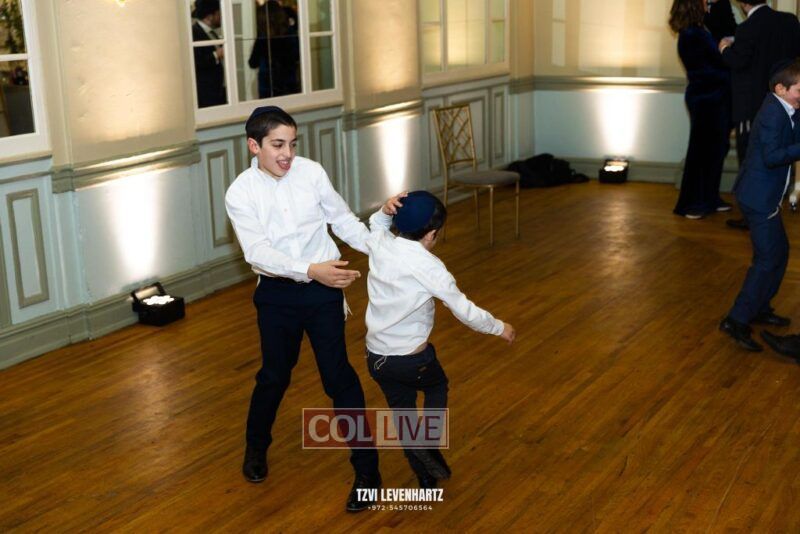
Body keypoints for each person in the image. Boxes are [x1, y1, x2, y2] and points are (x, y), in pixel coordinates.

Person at [224, 105, 380, 513]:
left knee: (338, 377)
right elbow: (258, 253)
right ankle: (256, 448)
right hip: (277, 297)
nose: (288, 154)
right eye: (278, 145)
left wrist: (382, 249)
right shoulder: (240, 193)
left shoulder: (311, 172)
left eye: (292, 144)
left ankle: (368, 473)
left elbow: (342, 220)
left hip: (323, 292)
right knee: (274, 377)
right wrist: (311, 270)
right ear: (254, 146)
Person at [363, 190, 516, 488]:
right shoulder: (429, 266)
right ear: (431, 234)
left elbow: (375, 224)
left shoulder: (380, 243)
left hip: (377, 358)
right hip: (412, 360)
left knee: (404, 414)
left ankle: (425, 475)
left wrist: (383, 210)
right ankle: (428, 443)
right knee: (436, 385)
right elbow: (464, 310)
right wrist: (499, 327)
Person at [719, 59, 800, 351]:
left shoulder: (787, 108)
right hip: (757, 198)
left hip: (766, 197)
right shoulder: (771, 114)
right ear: (781, 88)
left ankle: (760, 307)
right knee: (767, 260)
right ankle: (736, 319)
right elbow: (772, 156)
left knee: (780, 252)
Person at [718, 0, 800, 229]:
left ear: (742, 3)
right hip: (787, 104)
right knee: (780, 156)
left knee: (752, 160)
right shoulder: (789, 21)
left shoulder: (746, 28)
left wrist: (724, 48)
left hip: (752, 106)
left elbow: (738, 61)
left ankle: (752, 216)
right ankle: (773, 207)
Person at [669, 0, 732, 219]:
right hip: (706, 98)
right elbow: (710, 69)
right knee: (702, 152)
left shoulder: (696, 30)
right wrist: (727, 51)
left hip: (712, 97)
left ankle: (709, 198)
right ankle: (693, 203)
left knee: (716, 150)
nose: (708, 3)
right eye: (704, 1)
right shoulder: (692, 34)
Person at [192, 0, 226, 108]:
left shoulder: (212, 33)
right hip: (206, 94)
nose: (221, 17)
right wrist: (217, 54)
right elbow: (196, 61)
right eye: (219, 13)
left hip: (218, 89)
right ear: (210, 16)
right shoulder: (194, 33)